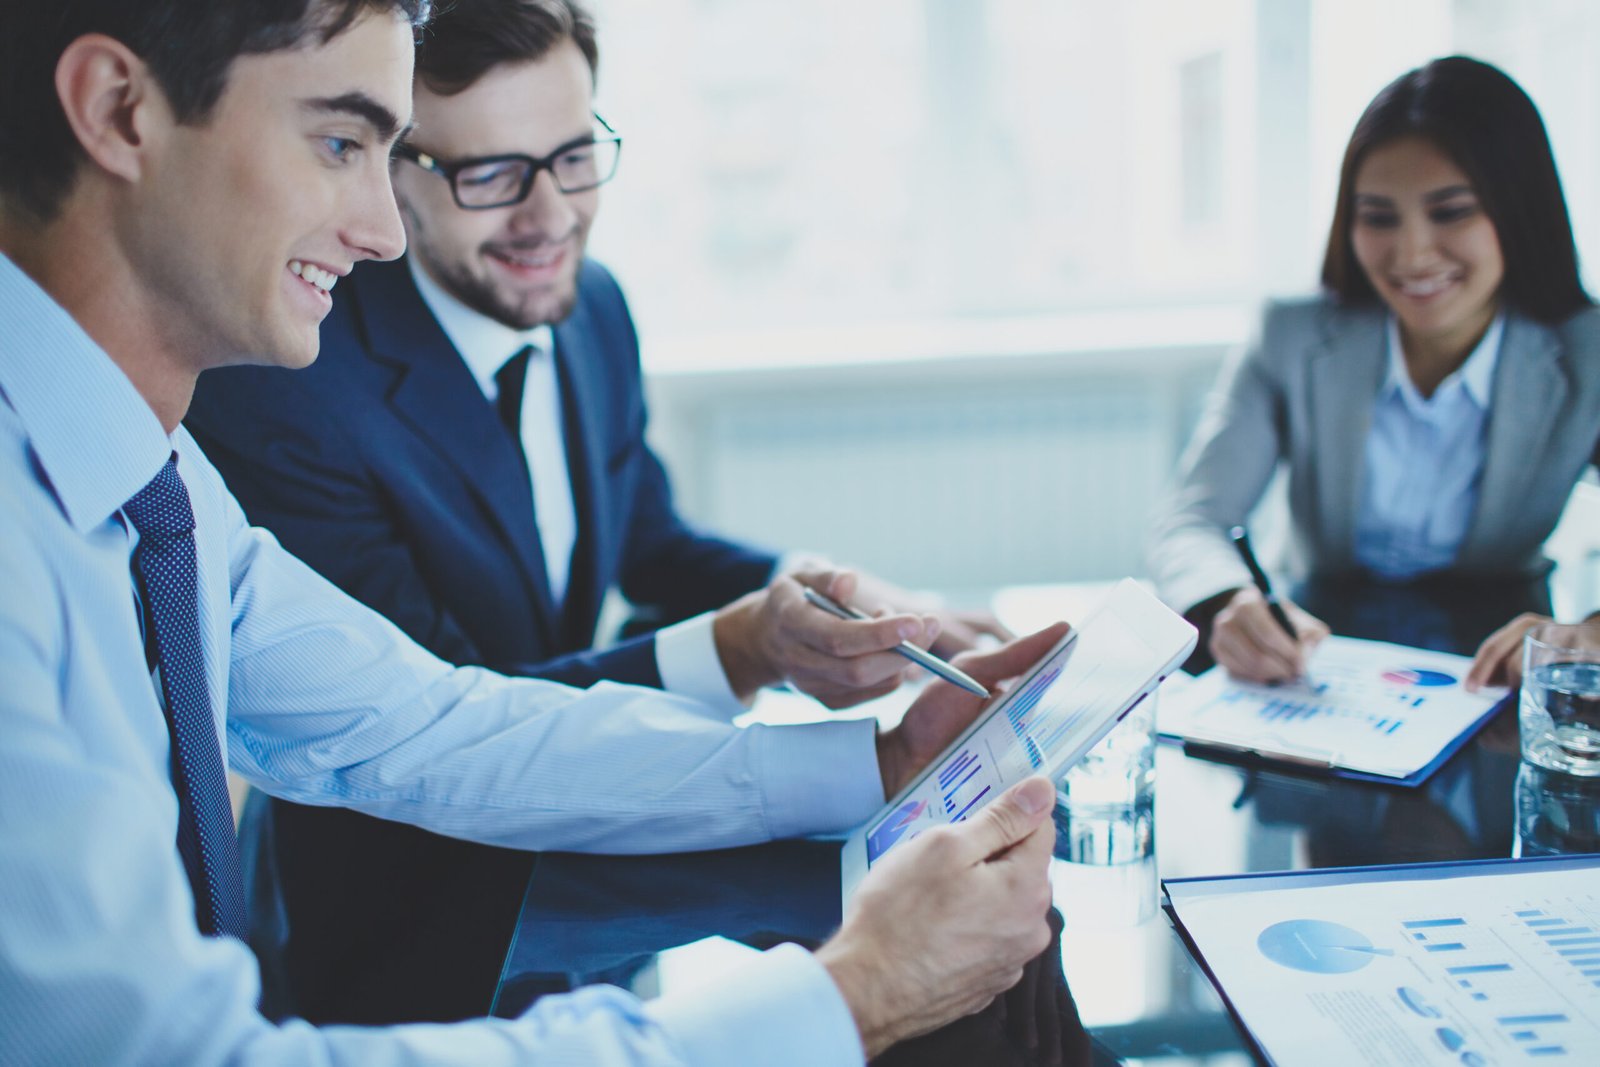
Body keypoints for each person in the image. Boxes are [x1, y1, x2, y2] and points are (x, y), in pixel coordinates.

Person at [0, 2, 1063, 1062]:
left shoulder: (163, 478)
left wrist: (870, 761)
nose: (379, 231)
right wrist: (852, 997)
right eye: (339, 143)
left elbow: (431, 724)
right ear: (119, 111)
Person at [1148, 56, 1600, 685]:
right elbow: (1191, 520)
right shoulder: (1292, 336)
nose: (1411, 254)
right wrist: (1228, 601)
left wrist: (1590, 630)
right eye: (1378, 217)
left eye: (1451, 211)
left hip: (1496, 671)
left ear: (1518, 213)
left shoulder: (1587, 354)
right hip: (1316, 662)